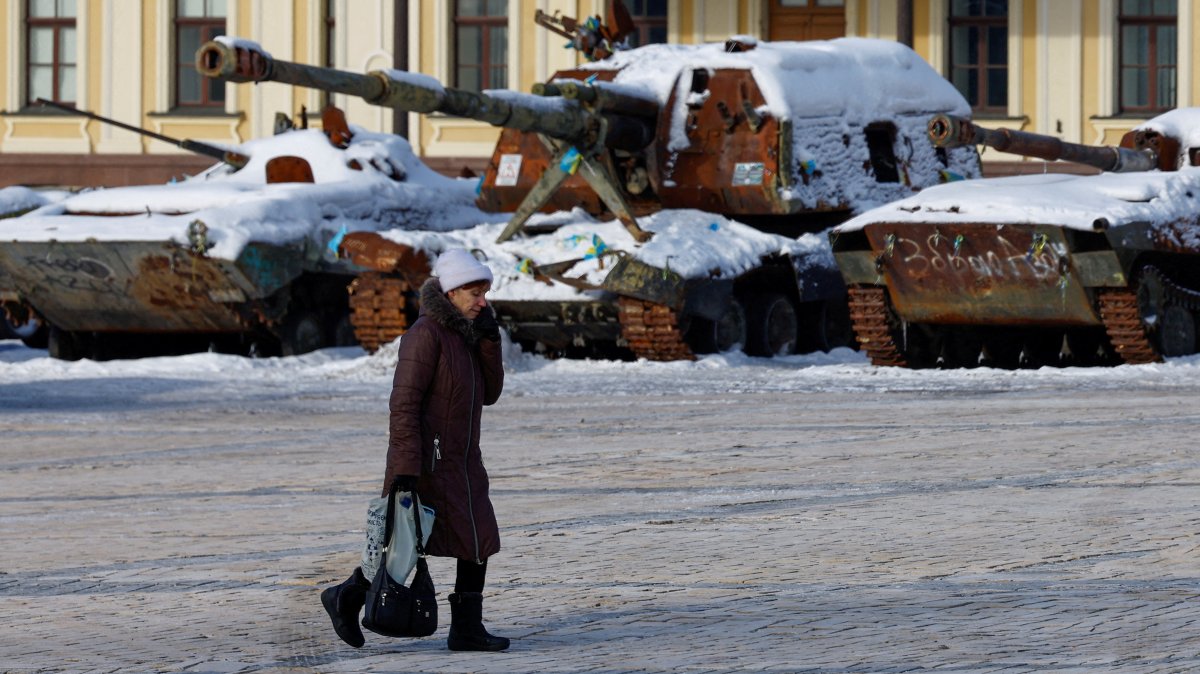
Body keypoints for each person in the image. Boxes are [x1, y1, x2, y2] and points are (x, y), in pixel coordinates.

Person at [321, 248, 509, 652]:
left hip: (462, 460)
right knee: (402, 548)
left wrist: (490, 341)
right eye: (475, 293)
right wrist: (405, 468)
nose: (483, 301)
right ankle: (346, 595)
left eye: (486, 292)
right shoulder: (425, 335)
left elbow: (490, 393)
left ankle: (467, 630)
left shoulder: (468, 335)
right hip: (425, 463)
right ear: (453, 293)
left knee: (478, 540)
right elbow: (403, 403)